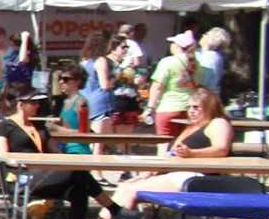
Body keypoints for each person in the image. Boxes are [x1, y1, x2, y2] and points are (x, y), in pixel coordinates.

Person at [0, 86, 123, 219]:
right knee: (78, 173)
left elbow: (56, 154)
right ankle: (114, 209)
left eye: (39, 103)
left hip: (45, 175)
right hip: (21, 178)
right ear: (21, 104)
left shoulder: (40, 127)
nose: (37, 107)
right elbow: (2, 155)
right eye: (33, 103)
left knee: (79, 186)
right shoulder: (4, 126)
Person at [108, 90, 261, 210]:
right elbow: (172, 155)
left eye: (196, 107)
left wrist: (192, 154)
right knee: (125, 186)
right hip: (175, 172)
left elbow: (221, 149)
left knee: (132, 190)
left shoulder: (218, 122)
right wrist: (151, 171)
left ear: (209, 107)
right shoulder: (192, 127)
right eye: (188, 107)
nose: (191, 111)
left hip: (198, 179)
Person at [146, 30, 203, 137]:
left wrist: (150, 108)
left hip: (168, 107)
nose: (171, 46)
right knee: (183, 144)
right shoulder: (197, 63)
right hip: (189, 109)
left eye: (173, 43)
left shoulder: (168, 62)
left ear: (178, 46)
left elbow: (157, 87)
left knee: (163, 145)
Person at [77, 32, 118, 133]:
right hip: (100, 106)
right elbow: (104, 85)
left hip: (84, 104)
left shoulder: (83, 62)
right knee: (99, 143)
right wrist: (116, 77)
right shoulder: (100, 60)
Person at [196, 27, 231, 93]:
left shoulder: (212, 57)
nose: (203, 35)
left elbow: (202, 80)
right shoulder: (201, 52)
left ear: (211, 40)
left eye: (206, 34)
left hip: (205, 96)